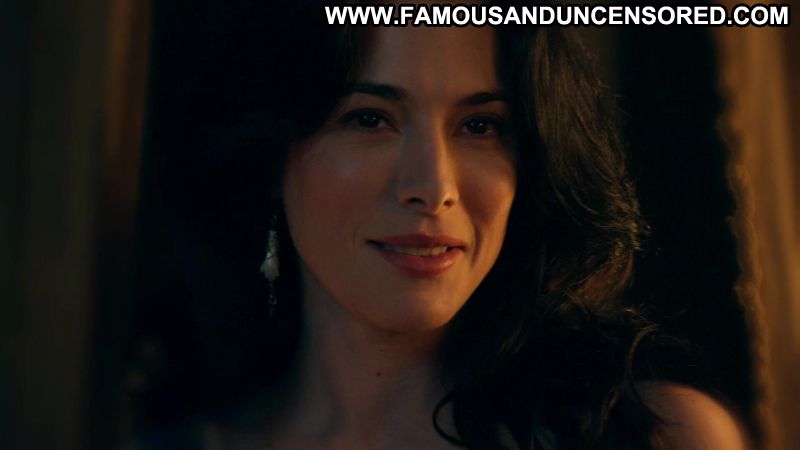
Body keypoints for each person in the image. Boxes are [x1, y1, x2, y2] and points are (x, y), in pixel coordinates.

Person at [133, 1, 751, 449]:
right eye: (370, 119)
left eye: (480, 126)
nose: (433, 188)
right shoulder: (165, 437)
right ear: (270, 154)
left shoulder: (658, 436)